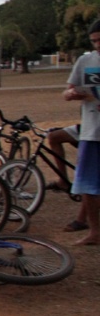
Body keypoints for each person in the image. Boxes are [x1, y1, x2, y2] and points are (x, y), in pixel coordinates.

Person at [62, 19, 100, 246]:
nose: (97, 45)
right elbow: (68, 91)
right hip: (91, 131)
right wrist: (72, 94)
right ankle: (95, 231)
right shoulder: (85, 61)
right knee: (87, 184)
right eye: (94, 41)